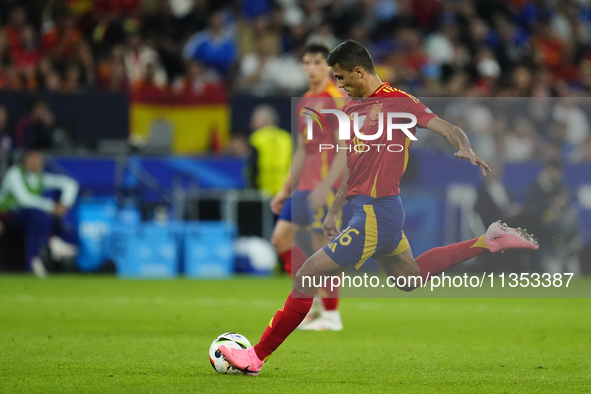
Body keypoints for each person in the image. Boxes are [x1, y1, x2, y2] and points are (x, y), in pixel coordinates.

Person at [219, 40, 539, 376]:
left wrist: (465, 147)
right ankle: (488, 240)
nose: (339, 85)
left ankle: (254, 356)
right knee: (410, 278)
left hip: (379, 214)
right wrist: (334, 209)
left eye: (342, 78)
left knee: (307, 275)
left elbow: (449, 128)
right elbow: (352, 166)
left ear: (359, 71)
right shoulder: (351, 109)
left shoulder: (399, 102)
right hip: (368, 211)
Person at [270, 43, 347, 331]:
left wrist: (327, 185)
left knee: (323, 249)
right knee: (280, 239)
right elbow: (303, 150)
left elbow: (344, 149)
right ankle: (312, 300)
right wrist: (283, 189)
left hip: (325, 188)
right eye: (307, 62)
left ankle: (331, 314)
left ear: (328, 66)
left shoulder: (336, 99)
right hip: (303, 187)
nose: (311, 68)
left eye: (317, 62)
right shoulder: (304, 101)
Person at [0, 150, 79, 277]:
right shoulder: (15, 173)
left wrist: (64, 204)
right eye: (32, 159)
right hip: (6, 214)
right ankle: (51, 241)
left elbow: (71, 184)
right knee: (35, 214)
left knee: (34, 219)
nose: (35, 162)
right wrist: (52, 206)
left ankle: (34, 259)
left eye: (38, 160)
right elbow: (24, 199)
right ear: (25, 160)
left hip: (26, 218)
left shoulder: (41, 178)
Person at [247, 105, 291, 197]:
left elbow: (253, 166)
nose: (251, 123)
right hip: (285, 189)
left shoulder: (256, 138)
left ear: (264, 121)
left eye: (255, 120)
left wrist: (251, 187)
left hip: (263, 190)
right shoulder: (286, 138)